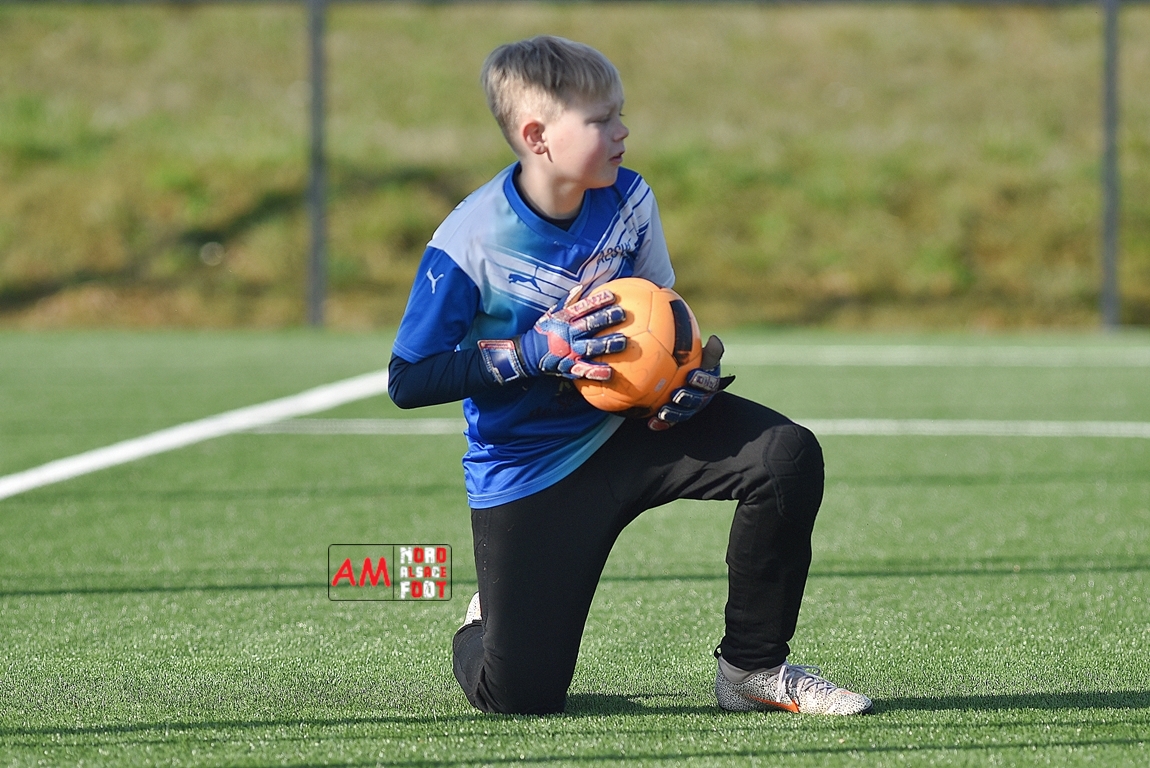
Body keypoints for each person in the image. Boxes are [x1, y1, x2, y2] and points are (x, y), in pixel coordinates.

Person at [387, 35, 872, 717]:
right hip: (533, 467)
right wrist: (531, 352)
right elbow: (408, 378)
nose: (622, 131)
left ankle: (752, 669)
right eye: (601, 119)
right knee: (521, 697)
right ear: (537, 136)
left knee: (784, 457)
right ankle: (482, 623)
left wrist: (693, 377)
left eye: (621, 114)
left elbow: (665, 320)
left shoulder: (630, 197)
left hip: (635, 429)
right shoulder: (470, 242)